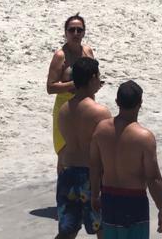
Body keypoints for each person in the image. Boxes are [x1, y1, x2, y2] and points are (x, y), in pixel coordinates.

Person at [90, 79, 162, 238]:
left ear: (117, 102)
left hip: (109, 199)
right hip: (133, 202)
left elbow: (95, 166)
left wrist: (94, 194)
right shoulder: (144, 138)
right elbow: (153, 178)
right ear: (140, 103)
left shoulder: (101, 130)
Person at [55, 56, 111, 239]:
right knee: (103, 229)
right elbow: (106, 146)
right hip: (91, 174)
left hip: (68, 171)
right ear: (93, 78)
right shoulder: (100, 112)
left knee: (67, 231)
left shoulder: (63, 110)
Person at [48, 15, 96, 169]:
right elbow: (50, 87)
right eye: (72, 30)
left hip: (87, 105)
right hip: (66, 107)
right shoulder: (60, 56)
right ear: (66, 32)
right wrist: (75, 84)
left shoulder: (87, 51)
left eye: (79, 30)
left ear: (84, 32)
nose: (76, 33)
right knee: (64, 152)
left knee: (86, 148)